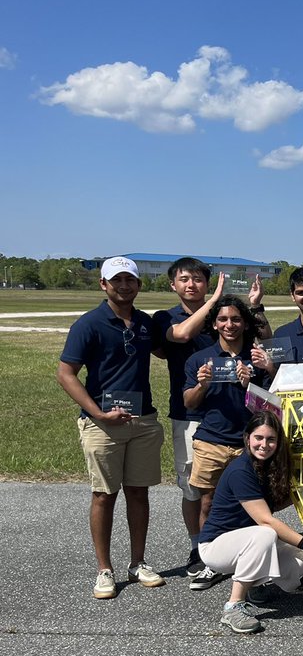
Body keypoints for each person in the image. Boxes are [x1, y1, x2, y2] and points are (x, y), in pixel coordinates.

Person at [152, 258, 270, 579]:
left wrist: (254, 306)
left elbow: (264, 337)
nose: (191, 285)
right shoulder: (168, 317)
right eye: (184, 279)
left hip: (234, 419)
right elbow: (180, 336)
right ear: (173, 284)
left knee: (243, 491)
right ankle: (200, 547)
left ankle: (239, 547)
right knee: (196, 490)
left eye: (198, 279)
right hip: (192, 416)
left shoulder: (230, 323)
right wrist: (216, 301)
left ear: (207, 282)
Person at [57, 256, 165, 599]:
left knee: (139, 493)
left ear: (139, 285)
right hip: (102, 424)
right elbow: (66, 374)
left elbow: (171, 347)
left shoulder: (145, 323)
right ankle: (105, 569)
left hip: (142, 419)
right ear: (103, 284)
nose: (124, 286)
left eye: (129, 280)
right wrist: (97, 413)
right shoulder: (88, 324)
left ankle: (138, 562)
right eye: (116, 280)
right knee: (104, 495)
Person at [198, 411, 303, 634]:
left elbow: (272, 505)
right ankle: (233, 606)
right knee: (266, 534)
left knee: (298, 560)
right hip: (216, 545)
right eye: (259, 438)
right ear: (247, 438)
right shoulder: (240, 470)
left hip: (246, 540)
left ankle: (254, 584)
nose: (264, 445)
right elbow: (266, 519)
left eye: (271, 439)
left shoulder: (267, 466)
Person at [181, 296, 271, 588]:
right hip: (212, 440)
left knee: (253, 504)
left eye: (235, 319)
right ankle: (211, 562)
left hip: (250, 444)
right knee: (208, 503)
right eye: (222, 319)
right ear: (214, 324)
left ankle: (251, 563)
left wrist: (250, 384)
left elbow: (271, 406)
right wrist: (201, 385)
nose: (229, 325)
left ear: (244, 323)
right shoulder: (200, 359)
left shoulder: (257, 357)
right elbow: (189, 403)